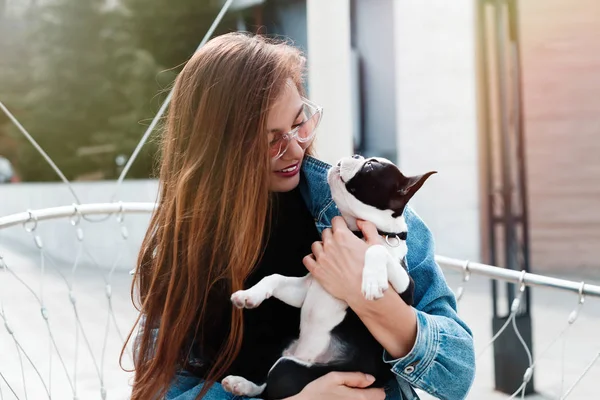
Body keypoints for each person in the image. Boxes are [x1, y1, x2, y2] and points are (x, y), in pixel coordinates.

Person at [126, 32, 475, 400]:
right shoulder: (184, 249)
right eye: (271, 139)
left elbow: (458, 373)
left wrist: (374, 300)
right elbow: (159, 393)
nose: (294, 148)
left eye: (300, 123)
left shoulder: (364, 213)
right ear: (219, 153)